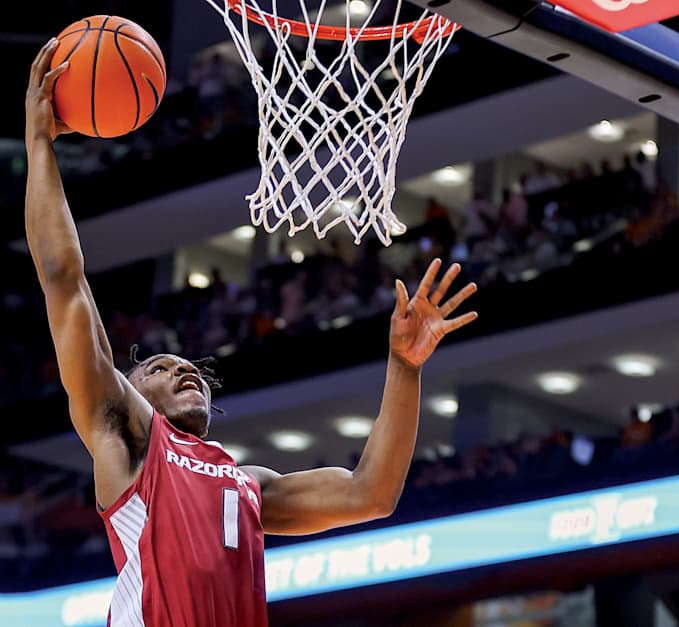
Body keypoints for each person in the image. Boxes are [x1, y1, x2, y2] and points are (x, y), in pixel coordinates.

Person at [25, 40, 479, 626]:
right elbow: (64, 280)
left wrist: (406, 368)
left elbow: (371, 493)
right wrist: (40, 144)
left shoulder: (249, 488)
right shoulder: (128, 437)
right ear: (129, 394)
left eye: (185, 364)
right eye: (158, 368)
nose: (182, 368)